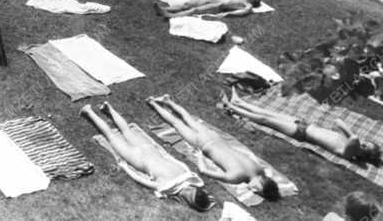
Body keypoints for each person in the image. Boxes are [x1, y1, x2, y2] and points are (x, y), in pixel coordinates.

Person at [81, 102, 212, 211]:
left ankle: (108, 107)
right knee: (110, 135)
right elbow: (141, 180)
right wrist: (125, 167)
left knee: (126, 129)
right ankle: (89, 111)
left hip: (149, 150)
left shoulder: (188, 175)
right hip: (138, 160)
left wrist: (161, 151)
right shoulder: (168, 188)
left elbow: (174, 160)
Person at [147, 96, 280, 201]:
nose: (253, 191)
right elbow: (204, 170)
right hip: (203, 144)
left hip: (215, 137)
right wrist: (199, 157)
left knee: (188, 118)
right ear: (262, 183)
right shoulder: (235, 177)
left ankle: (168, 100)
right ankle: (153, 103)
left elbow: (250, 161)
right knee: (176, 123)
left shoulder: (259, 169)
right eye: (258, 190)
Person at [224, 89, 382, 165]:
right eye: (367, 142)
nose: (364, 142)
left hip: (300, 133)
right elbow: (338, 121)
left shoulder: (349, 153)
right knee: (268, 113)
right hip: (305, 124)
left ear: (365, 154)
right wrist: (351, 137)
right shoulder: (349, 141)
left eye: (367, 146)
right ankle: (239, 102)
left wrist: (354, 138)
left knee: (265, 119)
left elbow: (354, 137)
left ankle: (233, 107)